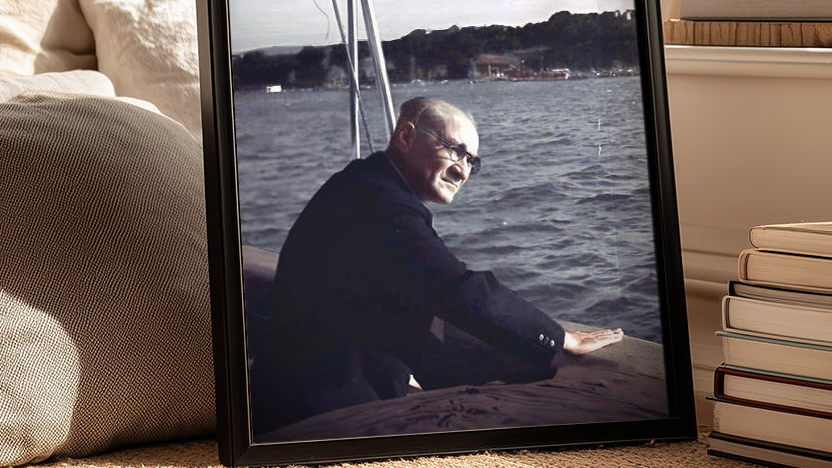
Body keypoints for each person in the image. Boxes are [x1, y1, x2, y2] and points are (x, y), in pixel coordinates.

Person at [248, 96, 623, 437]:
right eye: (456, 150)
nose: (463, 171)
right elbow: (458, 289)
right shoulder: (381, 203)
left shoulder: (365, 183)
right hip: (317, 410)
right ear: (406, 137)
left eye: (472, 161)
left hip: (307, 387)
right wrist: (561, 338)